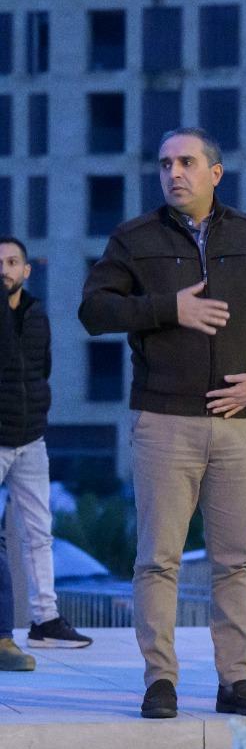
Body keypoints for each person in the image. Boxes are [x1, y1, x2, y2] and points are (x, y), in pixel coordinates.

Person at [80, 127, 246, 718]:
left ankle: (236, 681)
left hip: (240, 424)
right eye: (164, 164)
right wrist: (168, 308)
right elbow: (94, 310)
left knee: (236, 561)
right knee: (158, 560)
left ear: (215, 172)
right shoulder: (135, 238)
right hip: (163, 421)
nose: (173, 173)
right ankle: (161, 680)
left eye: (185, 162)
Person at [0, 238, 92, 650]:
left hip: (31, 439)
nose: (4, 269)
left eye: (12, 262)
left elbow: (43, 369)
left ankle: (45, 620)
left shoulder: (38, 314)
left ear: (26, 270)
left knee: (40, 533)